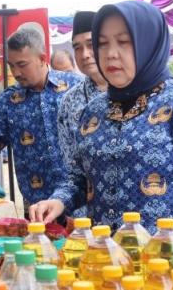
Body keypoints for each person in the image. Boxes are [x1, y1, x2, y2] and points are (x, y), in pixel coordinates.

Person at [30, 1, 173, 263]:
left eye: (124, 42)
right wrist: (58, 201)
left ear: (148, 43)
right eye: (102, 43)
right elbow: (78, 177)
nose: (111, 54)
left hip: (166, 268)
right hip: (104, 263)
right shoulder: (93, 111)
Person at [0, 28, 82, 210]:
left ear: (42, 59)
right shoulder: (8, 101)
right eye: (11, 65)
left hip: (80, 204)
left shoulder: (75, 87)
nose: (16, 72)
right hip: (37, 209)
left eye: (22, 64)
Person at [56, 11, 108, 216]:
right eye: (78, 48)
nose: (85, 54)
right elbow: (73, 171)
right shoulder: (69, 102)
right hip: (86, 223)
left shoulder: (142, 94)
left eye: (91, 44)